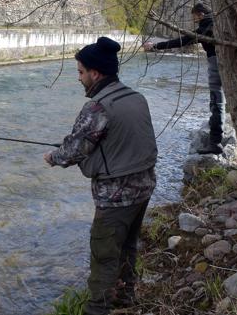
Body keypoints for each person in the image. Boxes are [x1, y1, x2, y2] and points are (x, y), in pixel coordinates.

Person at [43, 37, 158, 315]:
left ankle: (97, 309)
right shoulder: (136, 98)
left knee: (104, 256)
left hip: (115, 197)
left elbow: (74, 150)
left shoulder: (97, 107)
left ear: (95, 73)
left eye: (81, 72)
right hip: (144, 189)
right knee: (127, 246)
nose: (79, 78)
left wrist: (53, 157)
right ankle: (126, 298)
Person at [144, 3, 224, 154]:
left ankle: (215, 143)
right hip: (224, 62)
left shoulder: (206, 27)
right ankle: (217, 138)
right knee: (219, 101)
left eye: (194, 16)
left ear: (200, 14)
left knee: (217, 101)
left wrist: (155, 46)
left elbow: (182, 41)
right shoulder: (218, 23)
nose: (193, 19)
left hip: (215, 63)